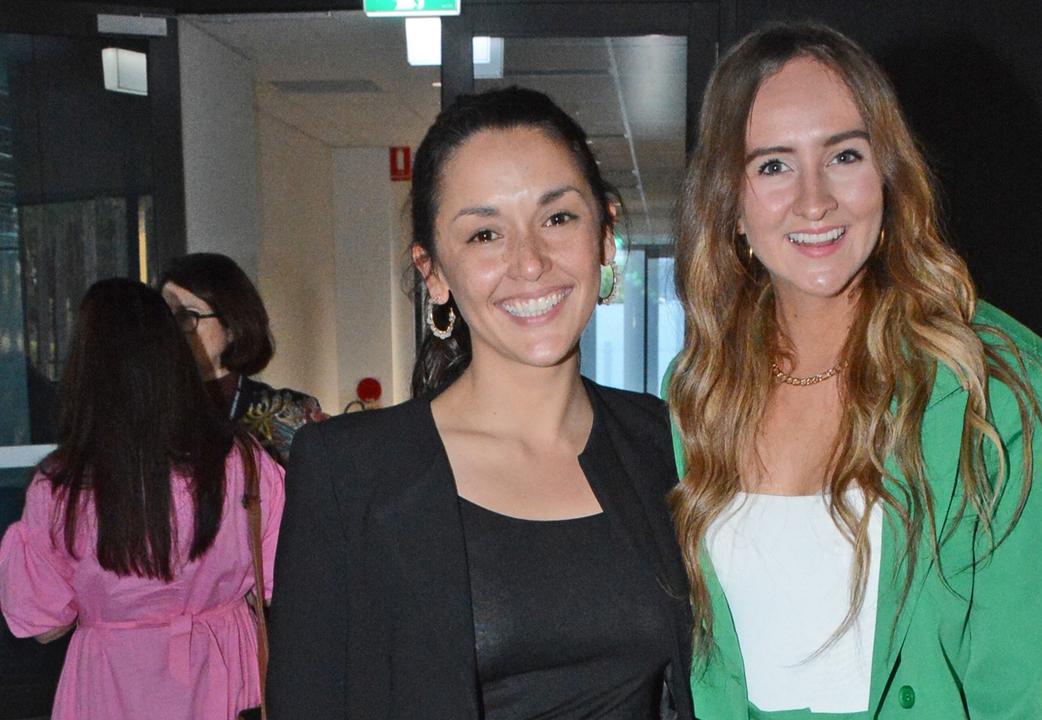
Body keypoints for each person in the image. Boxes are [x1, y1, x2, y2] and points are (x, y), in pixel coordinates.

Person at [664, 21, 1042, 719]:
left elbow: (1019, 692)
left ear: (888, 174)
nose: (813, 199)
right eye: (773, 165)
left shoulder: (1010, 388)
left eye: (844, 155)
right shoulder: (697, 393)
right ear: (730, 204)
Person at [266, 87, 694, 719]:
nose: (529, 262)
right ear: (433, 272)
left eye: (557, 218)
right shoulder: (348, 471)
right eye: (485, 233)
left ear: (606, 235)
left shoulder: (665, 443)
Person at [0, 278, 284, 720]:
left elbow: (44, 625)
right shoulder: (240, 461)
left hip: (110, 686)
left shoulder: (62, 485)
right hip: (223, 676)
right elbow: (278, 578)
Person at [160, 253, 326, 465]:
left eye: (188, 316)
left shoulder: (290, 413)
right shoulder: (147, 409)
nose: (173, 328)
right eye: (165, 314)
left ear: (231, 327)